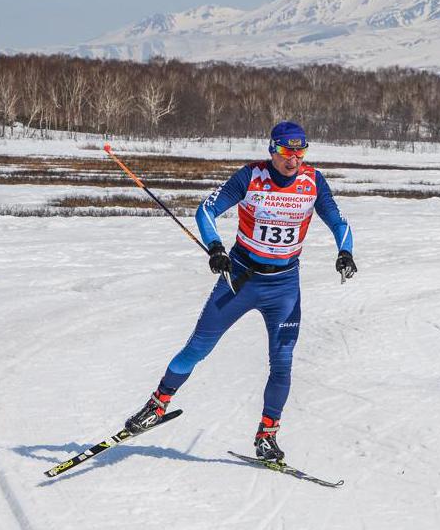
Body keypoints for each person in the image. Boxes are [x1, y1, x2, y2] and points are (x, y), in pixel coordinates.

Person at [124, 121, 356, 461]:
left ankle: (267, 435)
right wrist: (216, 248)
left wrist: (344, 252)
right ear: (272, 150)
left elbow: (338, 222)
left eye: (300, 151)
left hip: (284, 287)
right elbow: (206, 210)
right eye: (286, 151)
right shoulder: (251, 177)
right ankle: (158, 404)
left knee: (282, 364)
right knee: (197, 348)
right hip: (241, 279)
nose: (293, 159)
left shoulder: (312, 182)